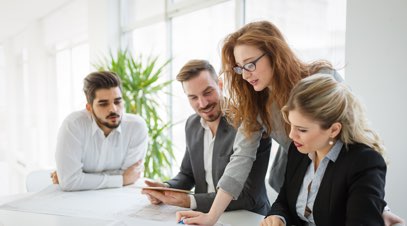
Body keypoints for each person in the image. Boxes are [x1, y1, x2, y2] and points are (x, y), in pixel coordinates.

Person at [176, 20, 404, 226]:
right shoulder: (256, 101)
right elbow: (241, 158)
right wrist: (211, 217)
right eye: (239, 67)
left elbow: (358, 135)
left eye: (250, 64)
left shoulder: (320, 77)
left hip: (340, 184)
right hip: (298, 184)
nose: (245, 75)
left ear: (273, 53)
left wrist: (377, 206)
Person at [141, 59, 271, 215]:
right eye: (193, 97)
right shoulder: (192, 124)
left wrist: (188, 201)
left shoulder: (249, 125)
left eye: (207, 92)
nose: (202, 103)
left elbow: (249, 196)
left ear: (220, 85)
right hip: (204, 215)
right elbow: (187, 174)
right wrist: (166, 188)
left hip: (248, 217)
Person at [261, 74, 386, 225]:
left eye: (302, 129)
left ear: (334, 130)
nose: (291, 135)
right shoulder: (299, 150)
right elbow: (285, 200)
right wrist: (277, 217)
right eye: (291, 125)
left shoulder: (363, 162)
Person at [53, 71, 148, 191]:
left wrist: (78, 177)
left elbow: (131, 175)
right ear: (89, 108)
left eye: (118, 101)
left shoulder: (136, 127)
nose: (113, 109)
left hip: (120, 197)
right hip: (78, 201)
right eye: (103, 104)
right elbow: (70, 182)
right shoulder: (73, 125)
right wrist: (121, 179)